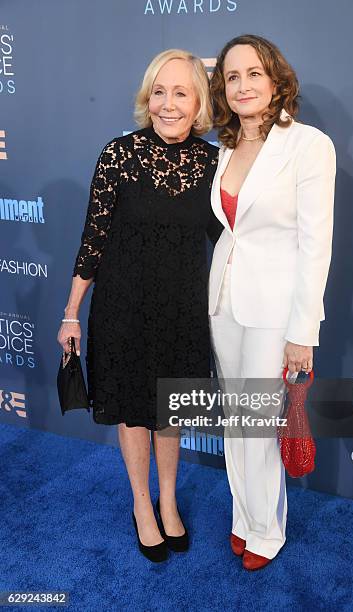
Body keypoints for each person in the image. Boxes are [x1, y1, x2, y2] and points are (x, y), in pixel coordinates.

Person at [57, 49, 222, 563]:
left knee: (169, 410)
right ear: (146, 98)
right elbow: (93, 239)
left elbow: (237, 240)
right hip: (124, 307)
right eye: (158, 91)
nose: (167, 104)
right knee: (133, 410)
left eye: (180, 92)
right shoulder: (118, 155)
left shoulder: (215, 162)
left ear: (198, 103)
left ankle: (168, 500)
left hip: (184, 309)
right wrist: (70, 313)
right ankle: (141, 506)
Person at [209, 34, 336, 570]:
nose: (242, 85)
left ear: (276, 78)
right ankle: (244, 517)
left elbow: (315, 245)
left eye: (253, 74)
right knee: (236, 419)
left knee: (258, 423)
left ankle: (267, 530)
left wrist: (302, 331)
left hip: (276, 308)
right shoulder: (225, 146)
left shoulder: (308, 145)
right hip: (223, 299)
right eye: (232, 77)